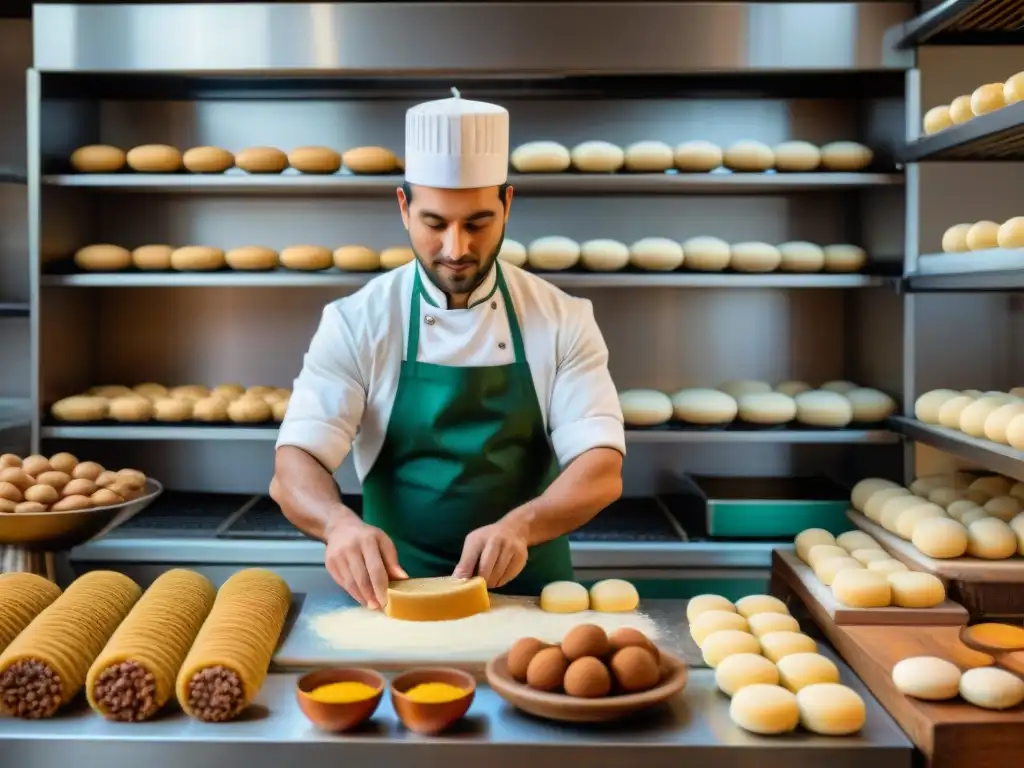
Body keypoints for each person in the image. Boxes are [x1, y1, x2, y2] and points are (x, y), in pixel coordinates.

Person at [270, 88, 625, 611]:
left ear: (507, 204)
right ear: (403, 207)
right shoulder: (357, 321)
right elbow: (293, 465)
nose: (456, 249)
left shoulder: (562, 318)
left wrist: (521, 527)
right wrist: (338, 524)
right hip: (393, 595)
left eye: (477, 223)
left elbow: (601, 468)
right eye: (435, 223)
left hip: (530, 598)